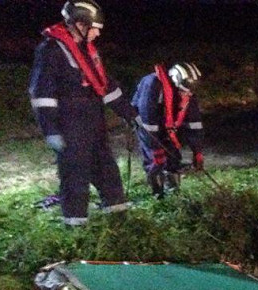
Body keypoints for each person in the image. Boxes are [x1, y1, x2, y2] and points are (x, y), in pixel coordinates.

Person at [29, 1, 140, 226]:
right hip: (70, 126)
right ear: (80, 24)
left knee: (107, 170)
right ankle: (76, 227)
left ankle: (118, 220)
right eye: (95, 28)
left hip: (94, 123)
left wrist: (130, 114)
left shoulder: (87, 50)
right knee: (75, 176)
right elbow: (43, 94)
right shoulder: (51, 50)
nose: (98, 34)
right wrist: (51, 130)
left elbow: (105, 86)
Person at [132, 62, 205, 198]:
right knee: (156, 160)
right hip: (146, 125)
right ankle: (157, 195)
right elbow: (147, 119)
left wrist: (197, 151)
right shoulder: (152, 84)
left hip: (168, 125)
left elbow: (194, 123)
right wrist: (155, 148)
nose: (188, 91)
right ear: (176, 79)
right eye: (186, 87)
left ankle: (173, 192)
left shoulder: (187, 92)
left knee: (173, 157)